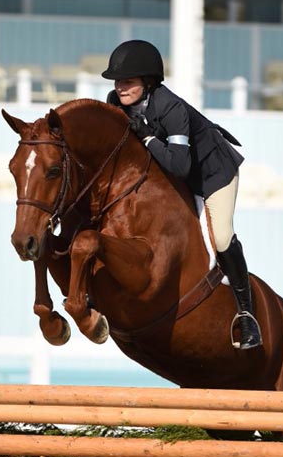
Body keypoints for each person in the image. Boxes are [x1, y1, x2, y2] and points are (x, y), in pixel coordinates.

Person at [101, 39, 262, 350]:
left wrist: (146, 137)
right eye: (118, 81)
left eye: (128, 81)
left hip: (213, 174)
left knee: (223, 237)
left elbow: (179, 165)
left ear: (148, 82)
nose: (120, 88)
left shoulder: (172, 109)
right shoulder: (115, 102)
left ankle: (247, 312)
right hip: (177, 173)